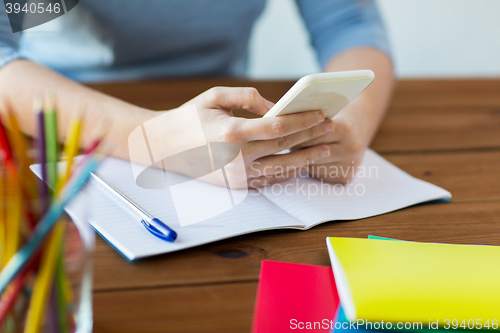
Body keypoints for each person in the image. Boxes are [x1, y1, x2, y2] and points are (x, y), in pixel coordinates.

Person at [0, 0, 394, 187]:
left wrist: (352, 119)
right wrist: (156, 140)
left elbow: (348, 23)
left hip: (230, 114)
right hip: (60, 127)